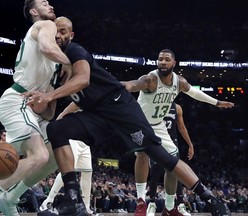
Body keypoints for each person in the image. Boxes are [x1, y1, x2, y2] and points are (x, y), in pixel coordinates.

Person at [24, 18, 233, 216]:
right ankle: (73, 199)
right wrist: (54, 111)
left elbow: (83, 81)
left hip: (120, 109)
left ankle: (211, 199)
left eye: (63, 31)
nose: (58, 35)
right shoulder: (55, 67)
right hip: (97, 114)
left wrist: (49, 95)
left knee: (162, 158)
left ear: (71, 34)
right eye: (56, 31)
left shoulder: (75, 50)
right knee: (56, 129)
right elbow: (79, 97)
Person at [0, 0, 71, 216]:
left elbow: (48, 109)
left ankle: (9, 199)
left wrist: (50, 108)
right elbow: (46, 47)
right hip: (17, 100)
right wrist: (71, 63)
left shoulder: (54, 64)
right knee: (39, 155)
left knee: (57, 154)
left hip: (30, 109)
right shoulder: (44, 25)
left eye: (49, 3)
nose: (49, 5)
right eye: (43, 3)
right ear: (34, 11)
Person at [121, 48, 234, 216]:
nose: (163, 62)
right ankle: (141, 201)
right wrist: (117, 86)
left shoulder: (178, 81)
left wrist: (216, 102)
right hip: (141, 123)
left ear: (174, 63)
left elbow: (194, 92)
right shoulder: (151, 79)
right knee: (142, 155)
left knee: (173, 162)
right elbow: (133, 85)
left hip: (158, 125)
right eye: (160, 59)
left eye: (167, 59)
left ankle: (169, 206)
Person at [146, 102, 194, 216]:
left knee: (176, 173)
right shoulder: (153, 104)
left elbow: (181, 128)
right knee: (155, 172)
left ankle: (180, 205)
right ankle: (151, 204)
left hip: (172, 142)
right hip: (157, 141)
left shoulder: (177, 107)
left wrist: (190, 144)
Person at [39, 139, 93, 214]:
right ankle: (49, 200)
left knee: (88, 172)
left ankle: (87, 205)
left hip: (85, 142)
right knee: (67, 169)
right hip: (73, 139)